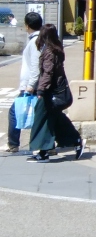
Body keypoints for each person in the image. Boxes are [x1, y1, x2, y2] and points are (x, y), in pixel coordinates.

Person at [28, 24, 83, 162]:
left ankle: (44, 152)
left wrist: (40, 90)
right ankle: (75, 140)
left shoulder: (49, 52)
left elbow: (48, 72)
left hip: (51, 92)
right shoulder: (56, 49)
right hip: (55, 91)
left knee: (44, 120)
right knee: (55, 118)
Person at [3, 10, 43, 153]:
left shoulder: (35, 42)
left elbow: (36, 66)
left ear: (27, 26)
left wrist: (30, 85)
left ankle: (13, 144)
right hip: (34, 84)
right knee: (43, 113)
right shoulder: (39, 39)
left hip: (31, 86)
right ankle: (49, 144)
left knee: (15, 112)